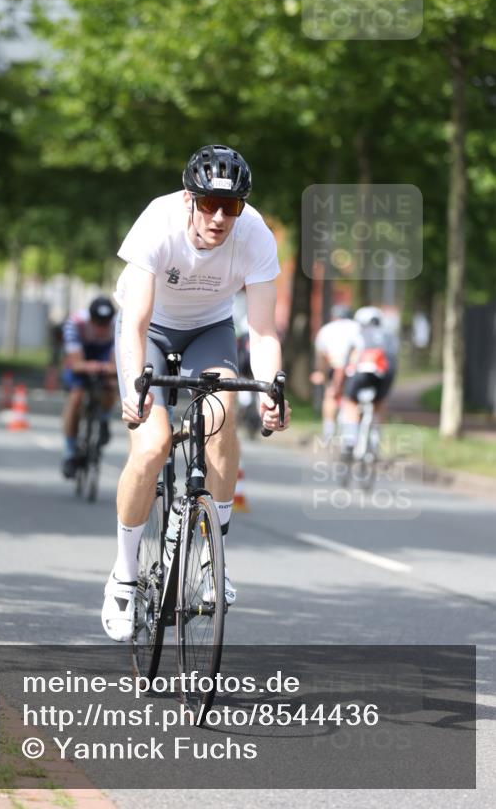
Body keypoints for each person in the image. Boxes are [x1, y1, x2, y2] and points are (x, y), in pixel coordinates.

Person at [101, 145, 291, 642]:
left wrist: (272, 389)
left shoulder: (255, 236)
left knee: (221, 417)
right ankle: (123, 577)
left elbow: (264, 330)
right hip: (151, 331)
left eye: (232, 206)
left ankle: (210, 560)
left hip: (210, 329)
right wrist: (134, 385)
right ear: (189, 199)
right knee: (152, 444)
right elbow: (136, 322)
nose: (220, 217)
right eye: (209, 204)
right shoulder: (157, 222)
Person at [61, 296, 117, 479]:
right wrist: (92, 367)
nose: (101, 328)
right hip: (82, 357)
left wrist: (108, 370)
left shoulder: (119, 324)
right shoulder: (75, 323)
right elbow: (76, 363)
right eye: (98, 324)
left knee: (111, 385)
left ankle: (104, 419)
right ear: (90, 319)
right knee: (76, 397)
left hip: (103, 356)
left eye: (105, 324)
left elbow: (117, 364)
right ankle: (70, 452)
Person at [339, 306, 398, 459]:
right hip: (385, 374)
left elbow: (348, 361)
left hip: (363, 372)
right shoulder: (390, 336)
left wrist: (340, 384)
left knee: (350, 401)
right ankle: (375, 442)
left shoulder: (357, 333)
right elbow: (393, 361)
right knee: (380, 404)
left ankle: (350, 442)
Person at [310, 305, 359, 442]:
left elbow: (322, 355)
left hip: (334, 365)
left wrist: (320, 372)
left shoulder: (326, 330)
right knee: (351, 400)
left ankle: (328, 430)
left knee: (330, 395)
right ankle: (351, 436)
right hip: (353, 367)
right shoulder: (356, 327)